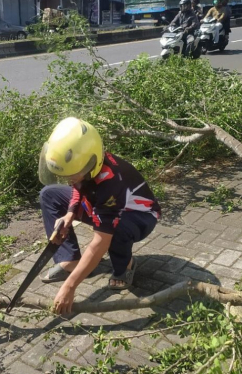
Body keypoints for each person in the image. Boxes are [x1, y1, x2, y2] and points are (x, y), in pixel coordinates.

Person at [38, 117, 161, 314]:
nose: (69, 180)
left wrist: (69, 287)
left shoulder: (111, 181)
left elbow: (100, 242)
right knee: (49, 195)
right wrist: (70, 213)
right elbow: (78, 186)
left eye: (72, 175)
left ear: (89, 165)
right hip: (101, 204)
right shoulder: (85, 164)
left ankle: (125, 266)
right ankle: (71, 261)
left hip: (138, 215)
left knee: (116, 229)